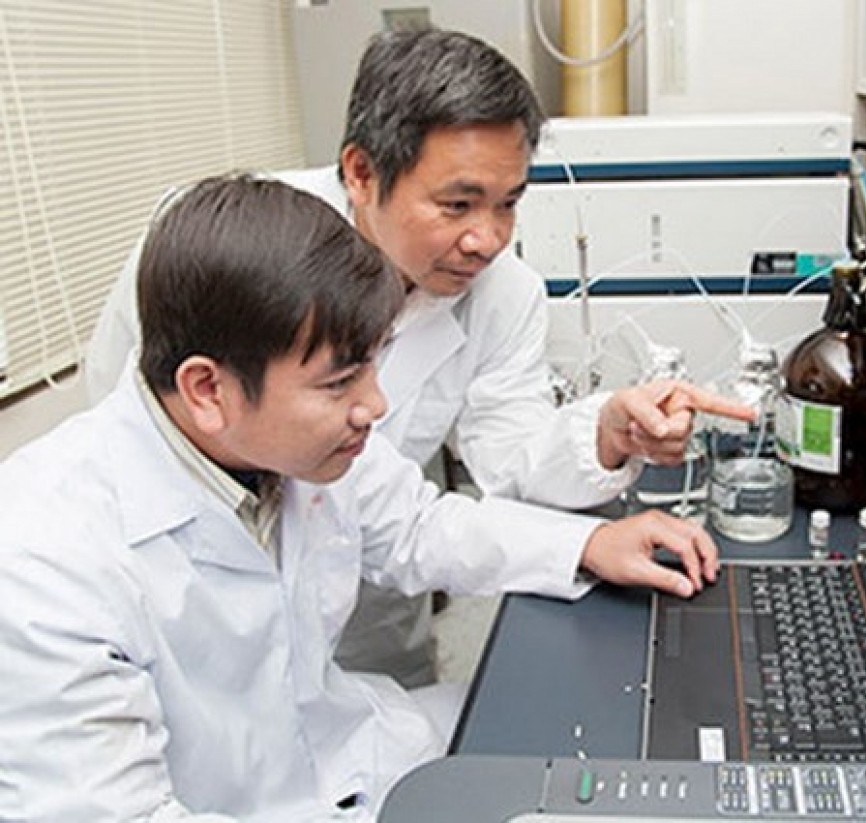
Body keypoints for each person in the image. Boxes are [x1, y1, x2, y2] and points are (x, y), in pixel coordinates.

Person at [0, 176, 721, 822]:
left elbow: (416, 525)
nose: (375, 405)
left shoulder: (282, 447)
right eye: (341, 382)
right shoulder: (42, 561)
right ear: (207, 389)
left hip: (356, 752)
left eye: (373, 367)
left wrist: (590, 544)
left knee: (614, 758)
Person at [84, 28, 753, 688]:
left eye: (510, 202)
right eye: (457, 204)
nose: (488, 238)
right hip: (196, 602)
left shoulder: (502, 293)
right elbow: (135, 446)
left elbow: (463, 488)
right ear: (361, 172)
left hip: (371, 589)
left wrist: (605, 433)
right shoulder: (225, 250)